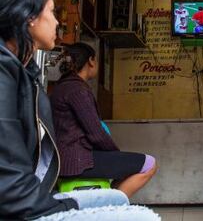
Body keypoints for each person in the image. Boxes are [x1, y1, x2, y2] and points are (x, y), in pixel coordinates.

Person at [0, 0, 159, 220]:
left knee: (120, 203)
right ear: (29, 16)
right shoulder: (10, 73)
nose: (56, 21)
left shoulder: (26, 73)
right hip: (60, 174)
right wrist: (114, 157)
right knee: (144, 211)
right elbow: (95, 131)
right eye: (51, 12)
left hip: (35, 193)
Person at [50, 42, 157, 198]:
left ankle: (108, 200)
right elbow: (96, 133)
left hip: (64, 159)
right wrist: (115, 154)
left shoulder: (61, 88)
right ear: (91, 61)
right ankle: (110, 207)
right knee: (149, 164)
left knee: (125, 165)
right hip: (77, 162)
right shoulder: (77, 90)